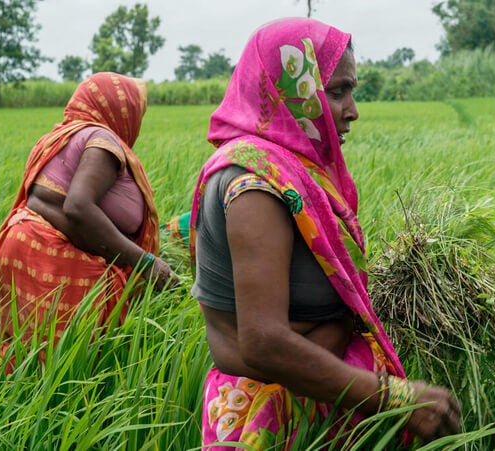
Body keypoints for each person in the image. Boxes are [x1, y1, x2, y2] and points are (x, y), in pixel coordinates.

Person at [189, 18, 461, 448]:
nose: (352, 109)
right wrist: (394, 396)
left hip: (320, 399)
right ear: (289, 90)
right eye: (336, 92)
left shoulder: (290, 170)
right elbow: (262, 344)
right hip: (273, 419)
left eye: (351, 91)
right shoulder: (254, 183)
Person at [0, 72, 178, 371]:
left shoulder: (59, 137)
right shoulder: (102, 139)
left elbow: (41, 200)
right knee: (70, 371)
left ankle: (6, 405)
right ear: (121, 111)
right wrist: (145, 262)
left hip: (22, 244)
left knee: (26, 353)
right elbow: (77, 206)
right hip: (59, 259)